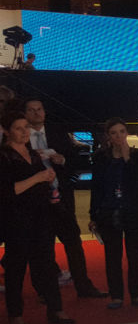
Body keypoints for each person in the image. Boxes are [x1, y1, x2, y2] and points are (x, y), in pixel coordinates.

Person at [24, 99, 107, 299]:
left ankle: (83, 286)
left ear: (44, 112)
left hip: (62, 197)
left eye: (39, 109)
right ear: (25, 113)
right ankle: (44, 291)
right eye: (31, 110)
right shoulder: (21, 135)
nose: (36, 113)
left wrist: (63, 160)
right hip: (35, 200)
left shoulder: (57, 132)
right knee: (41, 247)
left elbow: (75, 159)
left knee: (73, 243)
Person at [0, 109, 73, 324]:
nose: (24, 132)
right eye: (19, 129)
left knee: (47, 264)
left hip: (41, 215)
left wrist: (48, 178)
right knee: (16, 266)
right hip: (16, 219)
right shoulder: (4, 157)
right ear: (7, 131)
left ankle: (55, 308)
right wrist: (39, 177)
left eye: (26, 128)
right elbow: (8, 190)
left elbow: (42, 180)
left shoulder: (32, 154)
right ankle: (15, 314)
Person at [89, 118, 138, 309]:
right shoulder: (101, 158)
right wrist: (93, 215)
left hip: (135, 210)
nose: (118, 136)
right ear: (108, 136)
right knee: (112, 255)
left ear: (127, 133)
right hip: (109, 211)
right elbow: (96, 188)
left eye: (122, 132)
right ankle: (116, 295)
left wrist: (127, 158)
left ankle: (137, 294)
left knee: (136, 254)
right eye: (114, 133)